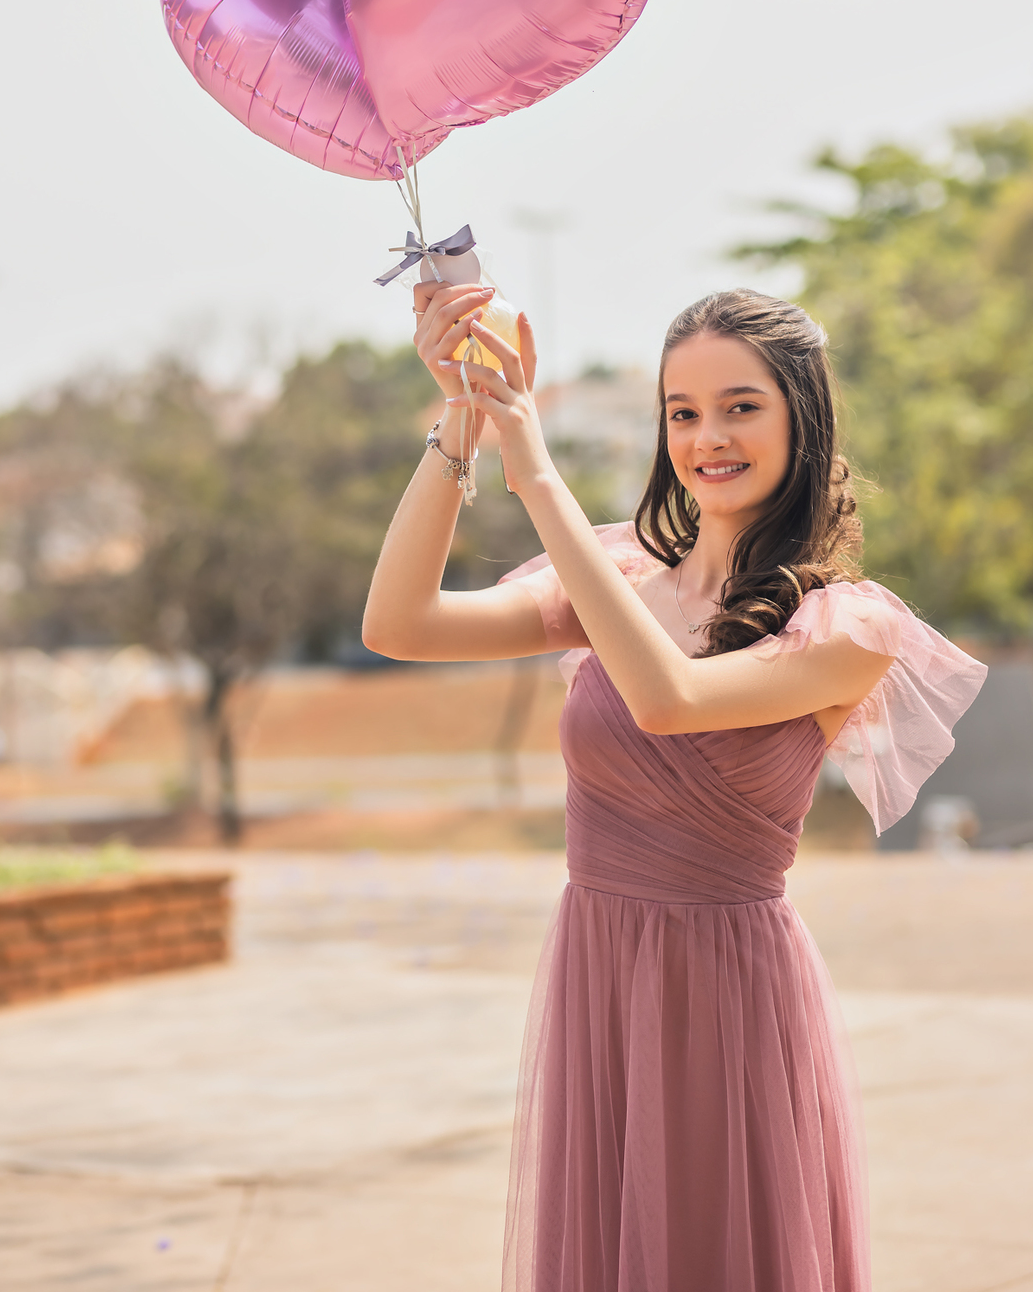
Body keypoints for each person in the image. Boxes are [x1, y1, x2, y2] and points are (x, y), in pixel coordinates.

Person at [364, 283, 987, 1292]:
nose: (708, 438)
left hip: (730, 991)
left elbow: (669, 698)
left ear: (801, 414)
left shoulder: (849, 625)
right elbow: (399, 625)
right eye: (683, 412)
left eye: (742, 406)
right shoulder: (616, 571)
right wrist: (464, 415)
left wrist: (537, 467)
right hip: (600, 970)